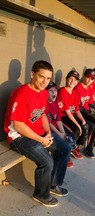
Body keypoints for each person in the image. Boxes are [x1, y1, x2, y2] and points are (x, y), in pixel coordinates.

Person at [4, 60, 71, 207]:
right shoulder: (21, 94)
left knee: (65, 149)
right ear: (32, 74)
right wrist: (41, 140)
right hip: (19, 137)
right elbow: (19, 126)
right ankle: (41, 194)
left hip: (39, 134)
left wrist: (48, 133)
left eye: (48, 78)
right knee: (47, 161)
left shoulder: (44, 93)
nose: (44, 82)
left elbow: (42, 115)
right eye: (41, 77)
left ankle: (52, 185)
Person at [46, 81, 74, 168]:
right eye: (50, 91)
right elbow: (49, 124)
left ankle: (67, 155)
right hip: (48, 129)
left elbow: (58, 120)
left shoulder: (55, 104)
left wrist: (63, 132)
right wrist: (59, 134)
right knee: (60, 140)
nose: (54, 92)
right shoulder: (45, 104)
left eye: (55, 90)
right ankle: (59, 159)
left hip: (56, 127)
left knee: (69, 135)